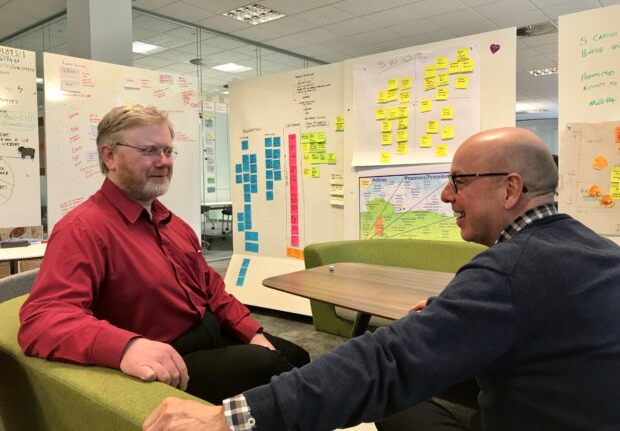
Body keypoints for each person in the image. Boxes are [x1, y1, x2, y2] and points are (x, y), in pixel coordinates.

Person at [143, 127, 620, 431]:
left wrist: (231, 418)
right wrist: (450, 320)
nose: (447, 195)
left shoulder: (510, 271)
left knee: (387, 398)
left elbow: (386, 363)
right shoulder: (597, 252)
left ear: (511, 187)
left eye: (460, 180)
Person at [18, 104, 309, 404]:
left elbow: (213, 291)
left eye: (168, 151)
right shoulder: (83, 229)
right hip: (171, 360)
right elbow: (42, 320)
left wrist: (251, 333)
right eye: (149, 151)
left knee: (299, 357)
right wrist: (127, 347)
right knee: (276, 372)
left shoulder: (172, 223)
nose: (163, 162)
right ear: (109, 156)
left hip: (210, 334)